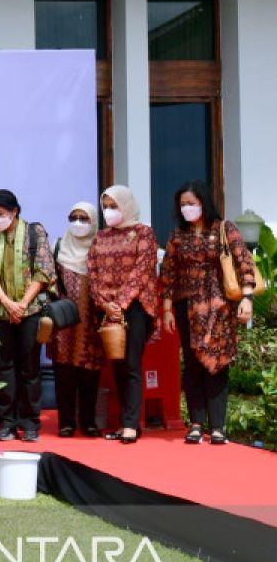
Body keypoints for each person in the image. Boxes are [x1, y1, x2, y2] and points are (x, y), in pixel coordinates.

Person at [160, 180, 256, 446]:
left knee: (218, 363)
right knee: (192, 364)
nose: (187, 208)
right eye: (183, 204)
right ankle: (196, 424)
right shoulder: (177, 235)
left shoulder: (224, 229)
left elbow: (244, 261)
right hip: (186, 307)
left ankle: (218, 427)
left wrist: (247, 298)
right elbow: (168, 273)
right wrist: (167, 310)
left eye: (191, 203)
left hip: (219, 307)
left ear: (204, 202)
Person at [87, 186, 159, 445]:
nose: (109, 211)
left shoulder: (144, 233)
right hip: (108, 309)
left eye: (114, 206)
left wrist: (121, 303)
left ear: (126, 206)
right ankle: (125, 423)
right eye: (105, 206)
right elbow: (92, 274)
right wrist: (105, 304)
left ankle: (131, 424)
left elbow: (143, 269)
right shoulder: (100, 238)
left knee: (130, 362)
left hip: (136, 306)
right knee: (116, 362)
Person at [0, 189, 55, 443]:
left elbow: (43, 271)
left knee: (30, 368)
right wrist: (7, 302)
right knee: (4, 368)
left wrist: (22, 303)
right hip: (1, 312)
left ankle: (31, 423)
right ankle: (7, 423)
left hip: (30, 309)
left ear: (14, 212)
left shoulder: (35, 233)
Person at [50, 202, 104, 438]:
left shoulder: (100, 247)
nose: (78, 223)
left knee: (90, 373)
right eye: (74, 217)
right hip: (64, 322)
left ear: (93, 222)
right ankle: (66, 422)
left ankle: (88, 421)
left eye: (84, 218)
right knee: (64, 373)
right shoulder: (59, 246)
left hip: (92, 319)